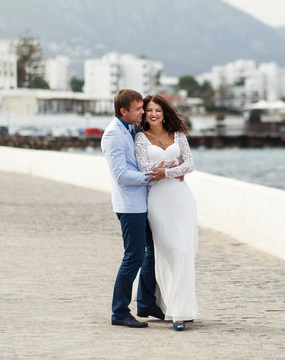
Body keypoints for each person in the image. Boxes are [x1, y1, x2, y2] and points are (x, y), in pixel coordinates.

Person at [101, 89, 168, 328]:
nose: (143, 112)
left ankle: (146, 303)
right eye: (139, 108)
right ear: (123, 111)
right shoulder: (113, 135)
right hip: (129, 205)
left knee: (150, 251)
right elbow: (121, 175)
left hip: (142, 202)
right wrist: (153, 177)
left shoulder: (131, 129)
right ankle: (119, 311)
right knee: (133, 257)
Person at [135, 94, 198, 331]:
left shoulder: (178, 134)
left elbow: (189, 164)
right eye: (149, 110)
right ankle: (169, 304)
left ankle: (180, 312)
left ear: (165, 113)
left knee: (184, 252)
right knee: (168, 253)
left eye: (158, 110)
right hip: (158, 202)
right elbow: (144, 167)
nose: (153, 114)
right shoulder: (141, 138)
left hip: (182, 199)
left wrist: (167, 170)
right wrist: (174, 164)